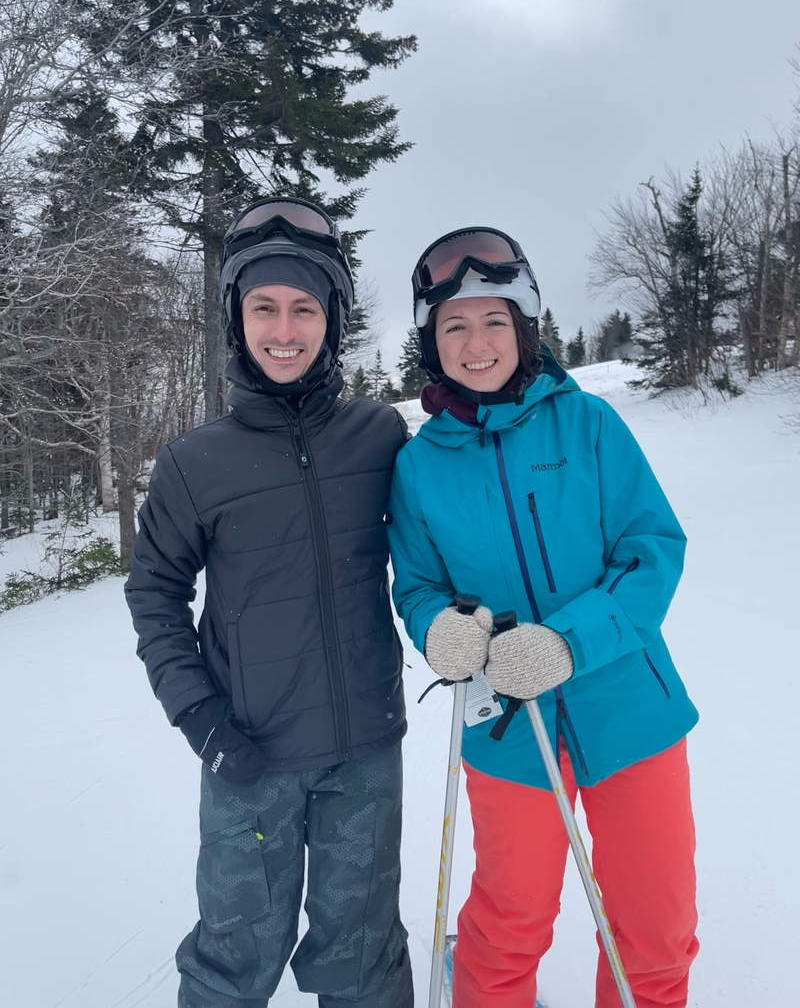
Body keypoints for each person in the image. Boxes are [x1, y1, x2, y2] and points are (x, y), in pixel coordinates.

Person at [387, 227, 700, 1008]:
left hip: (629, 702)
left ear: (524, 326)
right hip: (508, 720)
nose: (476, 341)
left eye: (494, 319)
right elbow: (417, 582)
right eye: (453, 325)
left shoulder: (588, 425)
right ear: (432, 343)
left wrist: (569, 640)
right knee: (513, 916)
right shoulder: (419, 466)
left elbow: (651, 548)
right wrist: (436, 629)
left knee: (654, 926)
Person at [124, 198, 413, 1008]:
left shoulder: (379, 434)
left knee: (364, 954)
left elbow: (441, 541)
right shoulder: (193, 463)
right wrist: (200, 719)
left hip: (364, 751)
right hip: (248, 754)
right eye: (263, 308)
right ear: (236, 317)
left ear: (333, 319)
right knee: (232, 962)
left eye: (304, 308)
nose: (283, 330)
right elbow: (154, 592)